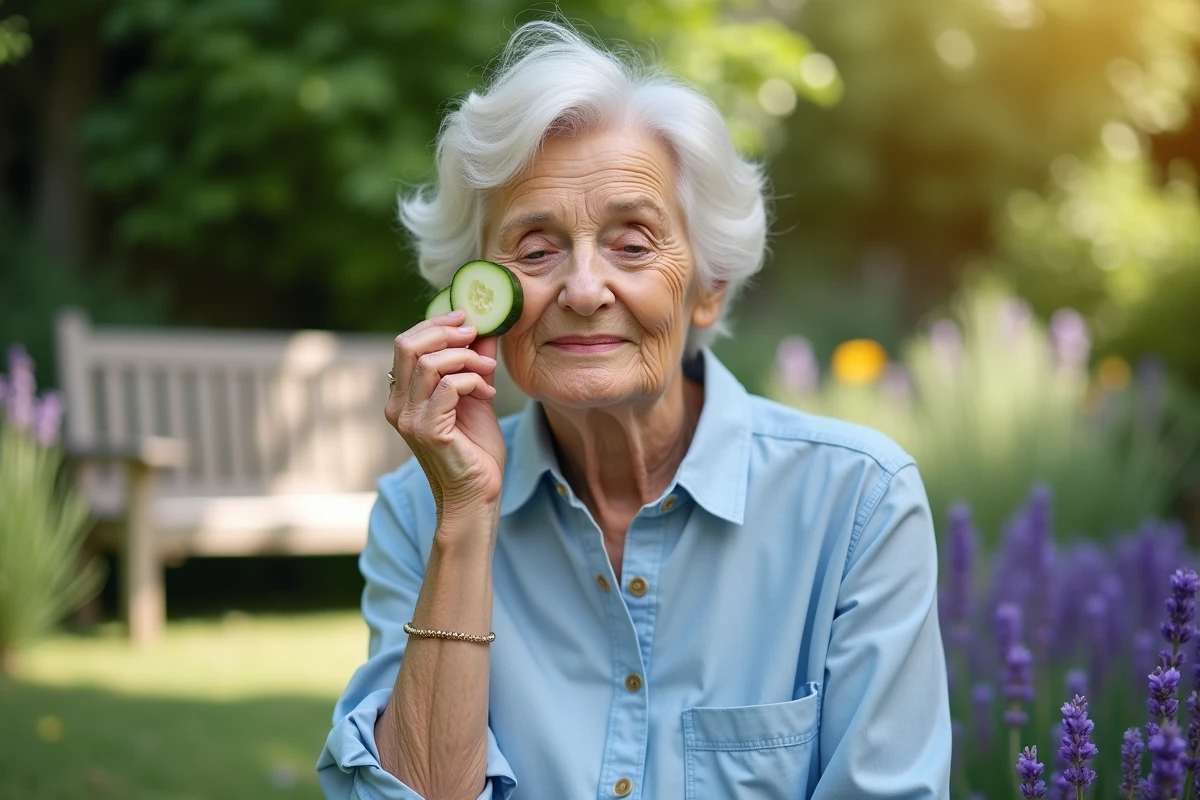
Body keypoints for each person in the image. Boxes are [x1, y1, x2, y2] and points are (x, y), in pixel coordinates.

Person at [317, 19, 951, 800]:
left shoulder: (858, 504)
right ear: (478, 300)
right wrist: (465, 517)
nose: (583, 291)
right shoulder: (422, 516)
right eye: (536, 250)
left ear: (709, 286)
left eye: (633, 242)